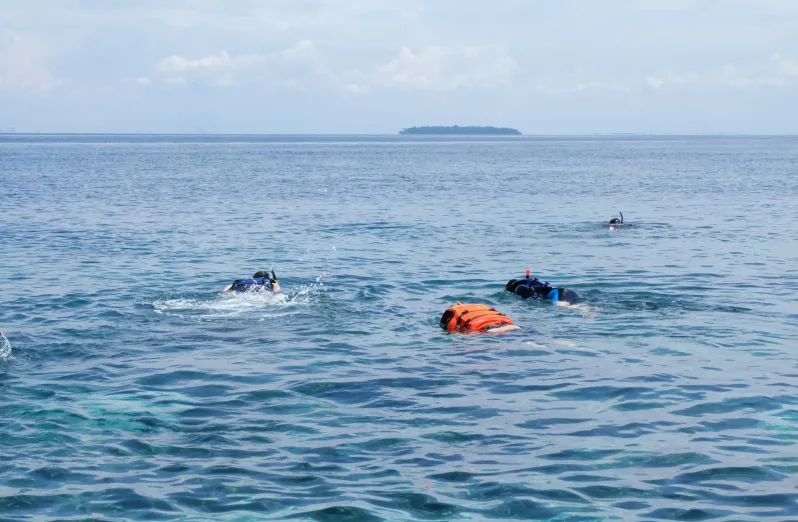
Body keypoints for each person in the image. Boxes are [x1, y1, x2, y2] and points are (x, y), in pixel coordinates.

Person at [505, 269, 581, 304]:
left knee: (567, 307)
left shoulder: (521, 287)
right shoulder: (532, 282)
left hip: (559, 295)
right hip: (569, 292)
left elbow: (529, 294)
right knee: (579, 306)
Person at [439, 302, 519, 334]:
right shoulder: (481, 307)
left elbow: (452, 330)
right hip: (510, 325)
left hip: (490, 331)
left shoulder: (457, 316)